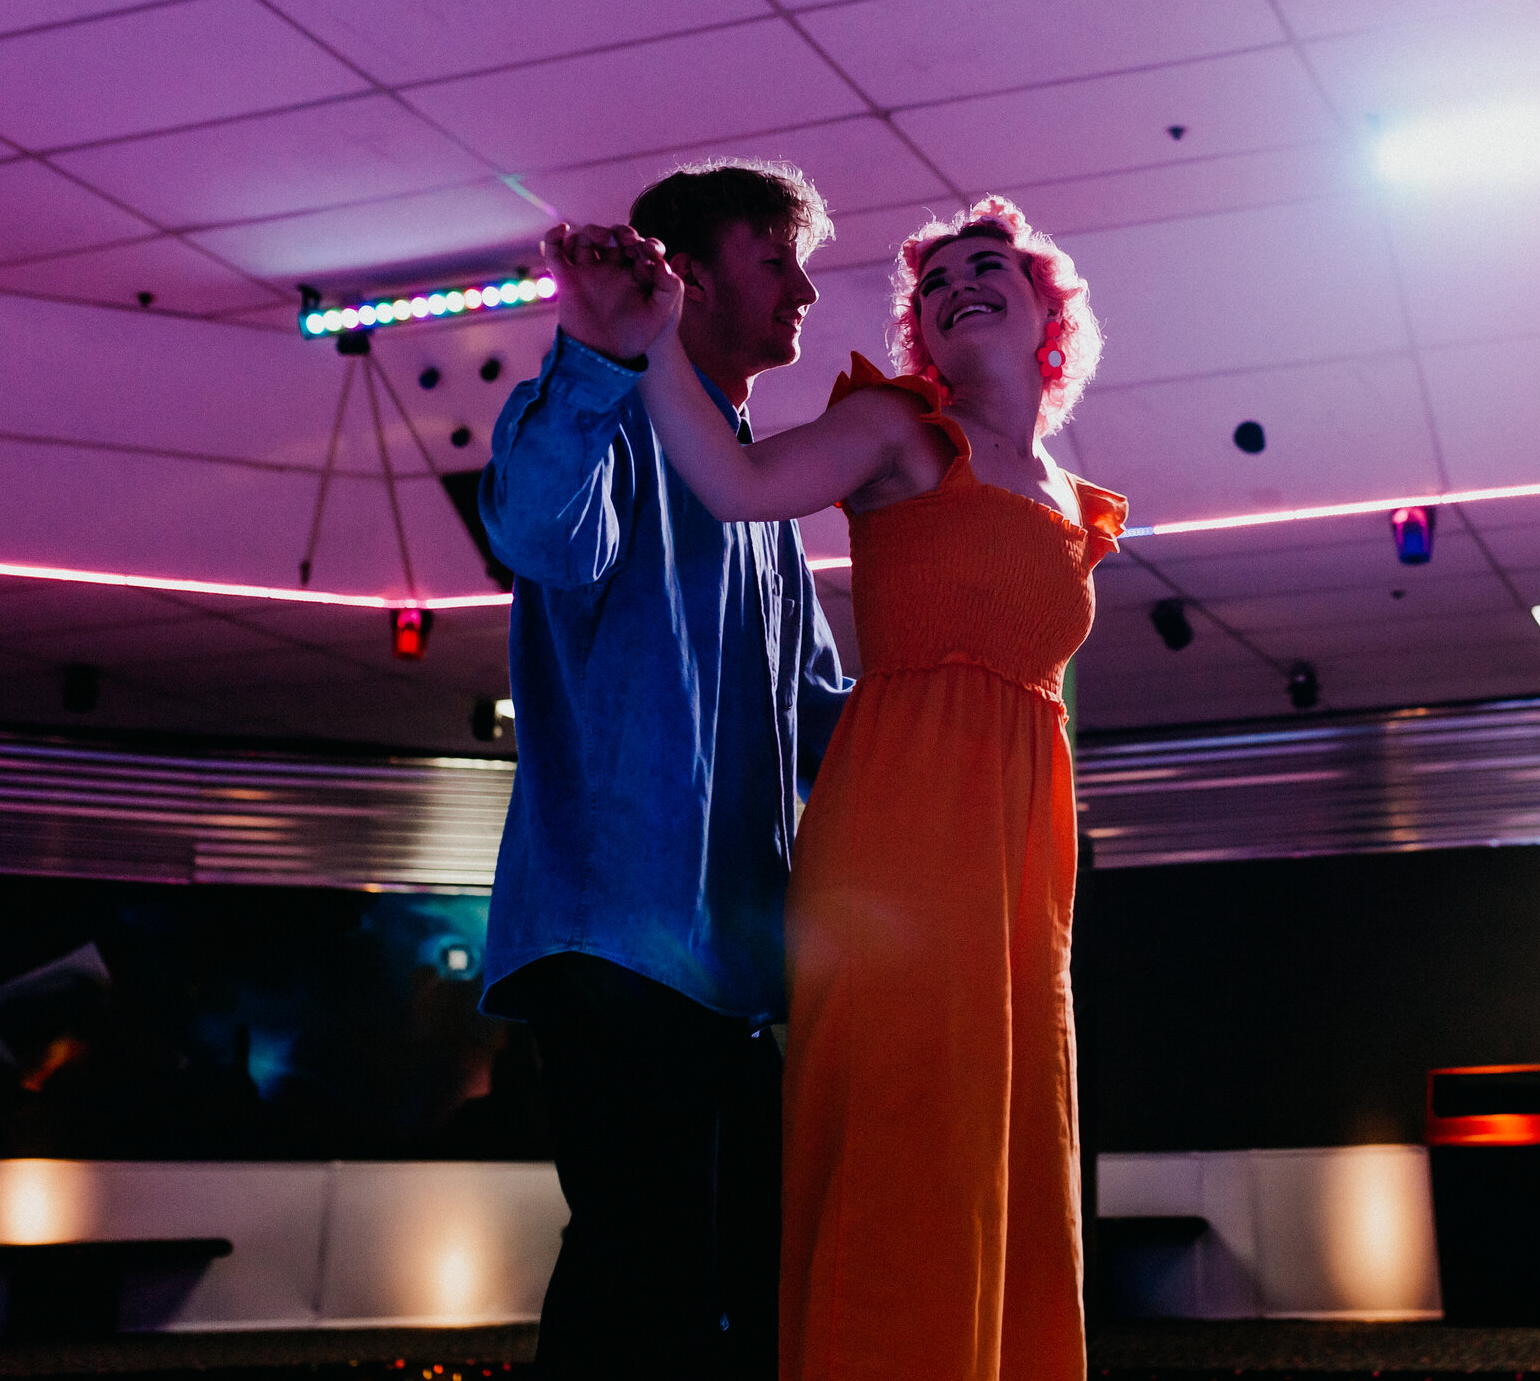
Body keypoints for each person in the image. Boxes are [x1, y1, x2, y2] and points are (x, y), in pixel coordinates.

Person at [620, 195, 1122, 1381]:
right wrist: (652, 340)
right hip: (903, 830)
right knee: (908, 1124)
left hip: (1018, 859)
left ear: (1049, 310)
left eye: (986, 266)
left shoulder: (1066, 493)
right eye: (933, 284)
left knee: (1007, 1129)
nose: (955, 287)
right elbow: (734, 482)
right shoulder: (898, 427)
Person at [477, 160, 853, 1380]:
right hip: (612, 944)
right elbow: (537, 531)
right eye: (776, 260)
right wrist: (596, 349)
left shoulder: (760, 492)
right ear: (688, 276)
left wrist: (981, 719)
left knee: (741, 1270)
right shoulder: (606, 419)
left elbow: (823, 713)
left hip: (727, 966)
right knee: (644, 1268)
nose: (804, 290)